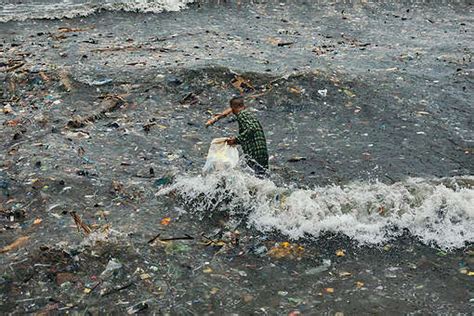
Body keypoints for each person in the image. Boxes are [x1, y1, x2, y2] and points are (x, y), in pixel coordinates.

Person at [206, 97, 269, 175]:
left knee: (259, 175)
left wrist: (236, 140)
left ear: (233, 108)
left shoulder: (242, 115)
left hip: (255, 153)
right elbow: (251, 132)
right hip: (262, 151)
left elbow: (252, 128)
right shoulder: (248, 115)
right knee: (263, 175)